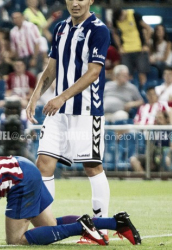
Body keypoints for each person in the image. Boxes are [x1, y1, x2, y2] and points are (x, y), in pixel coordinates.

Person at [26, 0, 112, 243]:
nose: (76, 3)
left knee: (92, 167)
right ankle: (47, 227)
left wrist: (61, 97)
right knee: (43, 164)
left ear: (90, 1)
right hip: (58, 110)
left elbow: (94, 72)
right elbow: (51, 67)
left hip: (85, 110)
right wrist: (34, 97)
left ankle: (101, 230)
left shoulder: (98, 29)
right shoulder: (61, 28)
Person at [0, 156, 141, 246]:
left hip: (19, 179)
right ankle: (116, 222)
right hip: (20, 166)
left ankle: (81, 227)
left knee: (16, 240)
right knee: (50, 228)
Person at [112, 7, 152, 87]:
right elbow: (115, 33)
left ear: (123, 14)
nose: (120, 21)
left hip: (140, 50)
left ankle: (143, 90)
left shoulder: (134, 15)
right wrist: (120, 47)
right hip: (126, 50)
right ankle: (129, 91)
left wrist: (146, 44)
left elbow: (148, 29)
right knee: (127, 74)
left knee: (142, 74)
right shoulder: (116, 20)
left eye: (121, 19)